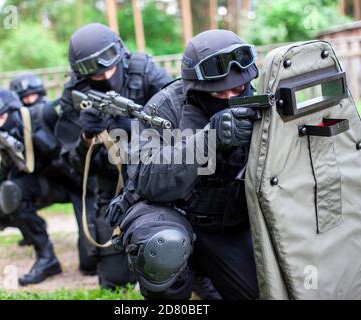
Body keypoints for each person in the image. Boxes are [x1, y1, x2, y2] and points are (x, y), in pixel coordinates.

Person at [106, 29, 260, 299]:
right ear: (198, 89)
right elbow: (146, 177)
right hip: (171, 214)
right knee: (164, 247)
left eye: (239, 89)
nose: (233, 97)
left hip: (227, 224)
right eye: (221, 93)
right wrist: (208, 141)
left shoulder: (260, 104)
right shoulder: (164, 107)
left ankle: (202, 273)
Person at [53, 22, 173, 289]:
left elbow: (181, 121)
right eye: (97, 75)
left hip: (156, 177)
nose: (106, 76)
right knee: (114, 280)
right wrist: (86, 137)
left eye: (110, 68)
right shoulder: (74, 92)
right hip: (111, 189)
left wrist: (138, 132)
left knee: (169, 259)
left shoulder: (144, 70)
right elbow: (70, 162)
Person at [0, 86, 89, 286]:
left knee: (90, 264)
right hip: (52, 187)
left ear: (11, 107)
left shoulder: (40, 115)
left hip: (85, 186)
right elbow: (8, 170)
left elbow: (69, 103)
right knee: (1, 204)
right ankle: (46, 257)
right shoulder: (4, 137)